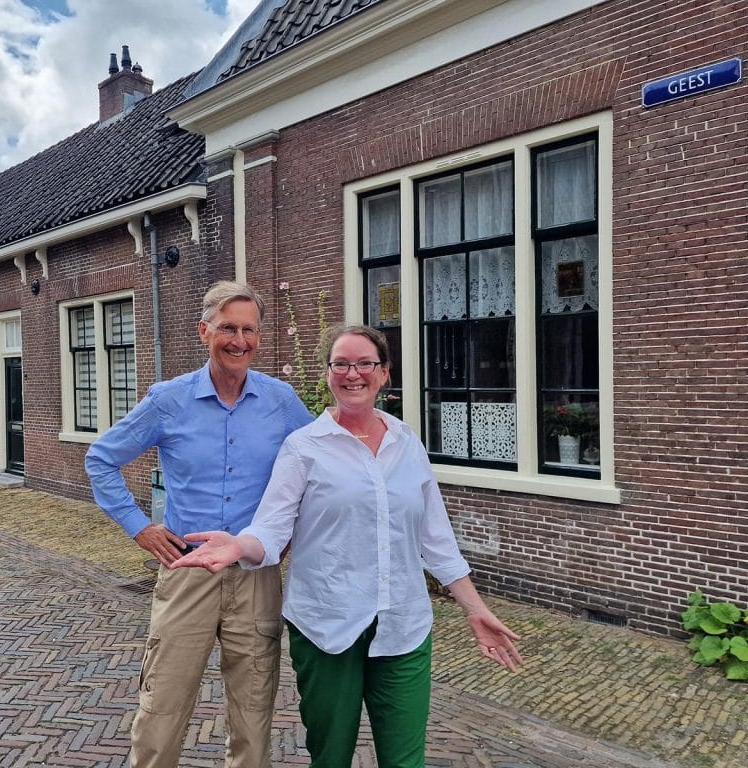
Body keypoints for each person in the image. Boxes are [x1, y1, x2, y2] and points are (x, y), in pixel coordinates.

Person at [170, 324, 522, 768]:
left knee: (405, 762)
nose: (352, 374)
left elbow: (435, 537)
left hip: (404, 625)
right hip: (325, 627)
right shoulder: (304, 447)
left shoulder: (407, 442)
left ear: (384, 373)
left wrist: (475, 609)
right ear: (328, 374)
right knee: (331, 756)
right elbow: (272, 529)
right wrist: (240, 546)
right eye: (341, 364)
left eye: (364, 363)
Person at [85, 280, 314, 768]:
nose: (239, 341)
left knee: (254, 711)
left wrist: (289, 533)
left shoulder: (281, 401)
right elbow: (101, 459)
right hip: (187, 571)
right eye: (228, 328)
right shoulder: (169, 400)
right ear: (204, 331)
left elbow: (319, 468)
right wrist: (140, 527)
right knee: (162, 705)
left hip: (256, 577)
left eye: (249, 330)